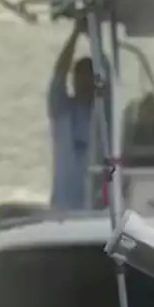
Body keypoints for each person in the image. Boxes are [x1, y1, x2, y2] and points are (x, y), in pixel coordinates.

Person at [47, 18, 97, 210]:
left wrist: (93, 38)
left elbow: (109, 72)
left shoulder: (103, 114)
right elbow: (59, 73)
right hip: (63, 205)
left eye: (91, 77)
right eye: (81, 77)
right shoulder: (61, 110)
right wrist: (76, 33)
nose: (86, 83)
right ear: (74, 79)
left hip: (96, 207)